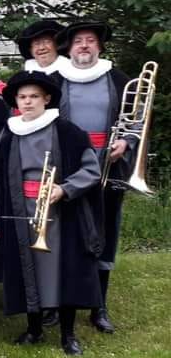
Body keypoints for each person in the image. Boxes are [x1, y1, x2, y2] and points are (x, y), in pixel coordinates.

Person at [0, 71, 102, 356]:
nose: (28, 102)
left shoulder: (68, 131)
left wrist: (65, 188)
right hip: (20, 211)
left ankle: (68, 334)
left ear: (47, 99)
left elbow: (92, 170)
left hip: (60, 212)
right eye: (22, 97)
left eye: (34, 96)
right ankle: (34, 329)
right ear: (16, 101)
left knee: (64, 271)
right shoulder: (8, 133)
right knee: (27, 268)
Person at [50, 21, 130, 333]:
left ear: (100, 46)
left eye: (91, 40)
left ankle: (99, 306)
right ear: (69, 49)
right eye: (78, 41)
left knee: (104, 233)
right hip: (66, 169)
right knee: (63, 235)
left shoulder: (119, 79)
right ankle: (56, 303)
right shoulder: (55, 81)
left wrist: (127, 142)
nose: (84, 46)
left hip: (109, 168)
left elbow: (136, 120)